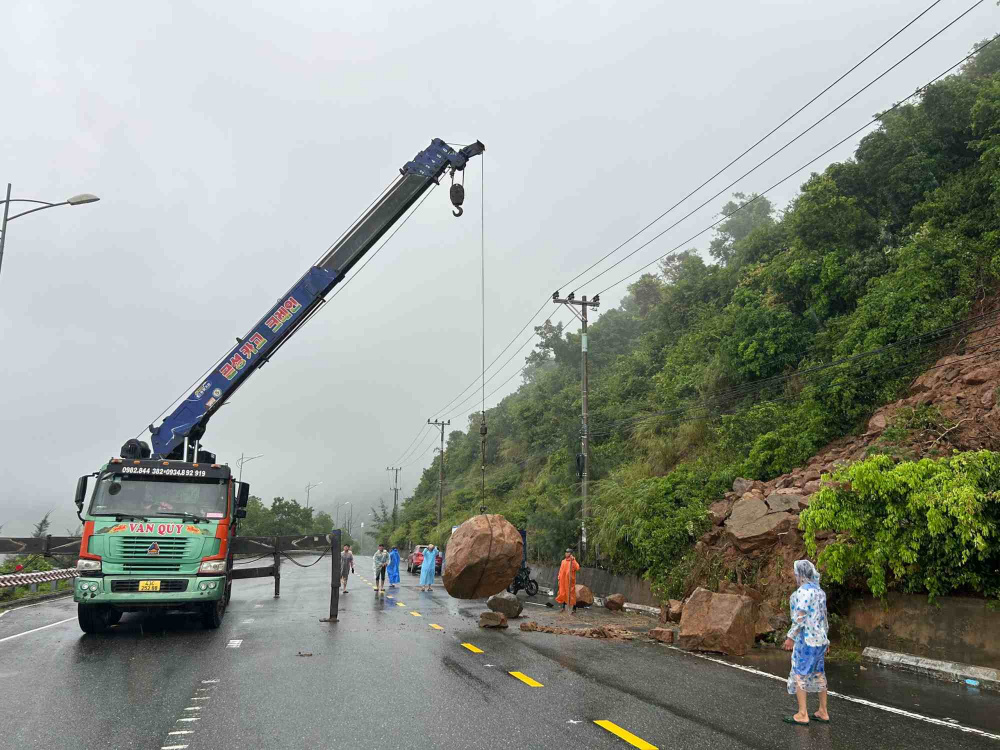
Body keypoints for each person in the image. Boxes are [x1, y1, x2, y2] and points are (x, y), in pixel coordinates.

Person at [783, 559, 830, 726]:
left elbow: (800, 617)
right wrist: (827, 639)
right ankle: (823, 711)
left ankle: (802, 714)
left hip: (807, 640)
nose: (794, 575)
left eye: (795, 572)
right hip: (820, 640)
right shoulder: (819, 592)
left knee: (800, 674)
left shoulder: (803, 592)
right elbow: (823, 617)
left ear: (801, 574)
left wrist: (791, 637)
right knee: (819, 673)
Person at [555, 548, 580, 614]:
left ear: (570, 554)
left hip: (570, 582)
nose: (566, 553)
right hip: (563, 581)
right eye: (566, 552)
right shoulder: (563, 561)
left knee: (571, 595)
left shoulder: (573, 561)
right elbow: (560, 571)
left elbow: (577, 567)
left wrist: (573, 560)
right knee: (563, 594)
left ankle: (574, 609)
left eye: (567, 552)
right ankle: (563, 608)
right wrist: (559, 579)